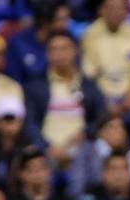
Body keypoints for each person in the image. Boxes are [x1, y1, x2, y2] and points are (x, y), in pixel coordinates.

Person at [24, 30, 107, 169]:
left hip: (82, 150)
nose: (60, 54)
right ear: (47, 54)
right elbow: (31, 124)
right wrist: (48, 147)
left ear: (75, 50)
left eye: (64, 48)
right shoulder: (36, 87)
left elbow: (100, 118)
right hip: (47, 152)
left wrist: (85, 133)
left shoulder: (88, 86)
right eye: (54, 49)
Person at [81, 0, 130, 118]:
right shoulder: (90, 34)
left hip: (129, 93)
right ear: (101, 10)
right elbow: (90, 75)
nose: (115, 12)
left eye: (120, 8)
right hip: (102, 94)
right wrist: (103, 101)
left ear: (127, 11)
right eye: (110, 8)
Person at [5, 0, 72, 84]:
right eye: (60, 20)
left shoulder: (69, 40)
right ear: (45, 22)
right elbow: (14, 81)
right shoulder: (17, 44)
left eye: (67, 19)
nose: (66, 25)